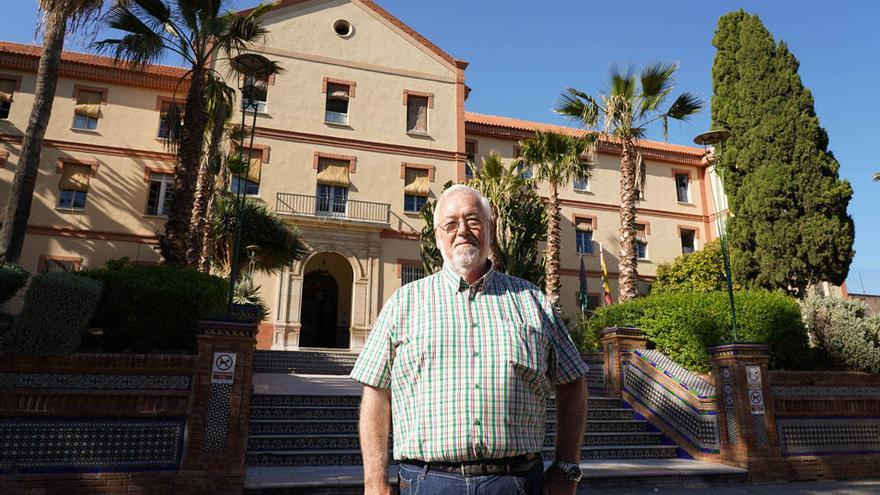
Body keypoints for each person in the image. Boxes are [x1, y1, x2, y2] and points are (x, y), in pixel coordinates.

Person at [351, 185, 589, 495]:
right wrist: (374, 481)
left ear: (490, 229)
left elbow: (573, 381)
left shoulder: (532, 301)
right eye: (451, 224)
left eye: (473, 220)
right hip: (427, 482)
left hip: (515, 482)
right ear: (438, 237)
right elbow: (376, 391)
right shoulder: (404, 303)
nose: (463, 230)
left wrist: (566, 468)